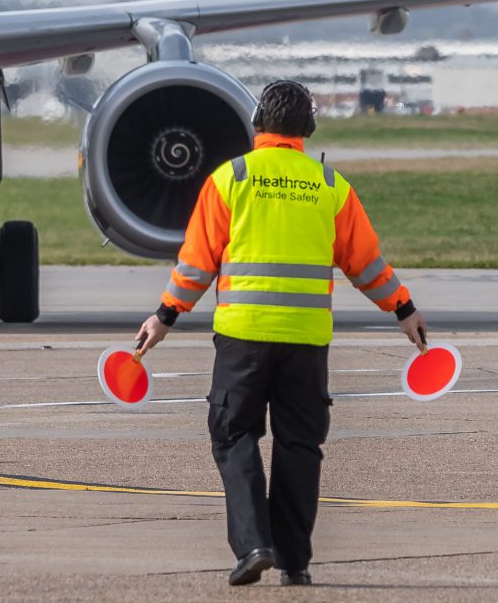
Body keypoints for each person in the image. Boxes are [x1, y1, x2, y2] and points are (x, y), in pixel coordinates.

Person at [135, 80, 428, 588]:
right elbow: (366, 264)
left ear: (258, 124)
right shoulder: (330, 185)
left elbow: (196, 264)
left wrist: (165, 315)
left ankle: (253, 544)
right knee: (300, 445)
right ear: (308, 129)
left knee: (233, 434)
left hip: (243, 338)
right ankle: (295, 561)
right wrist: (402, 307)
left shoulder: (231, 179)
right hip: (306, 340)